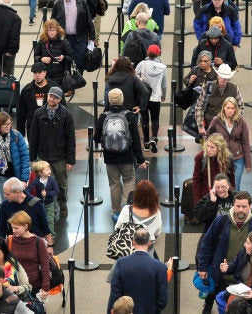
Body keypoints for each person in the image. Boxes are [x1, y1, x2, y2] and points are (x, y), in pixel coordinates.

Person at [197, 192, 252, 313]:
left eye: (244, 206)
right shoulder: (221, 221)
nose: (240, 210)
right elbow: (206, 244)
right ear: (233, 205)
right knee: (220, 303)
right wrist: (202, 267)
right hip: (221, 275)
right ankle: (208, 304)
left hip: (244, 279)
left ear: (250, 206)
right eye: (238, 206)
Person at [94, 88, 148, 222]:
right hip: (127, 156)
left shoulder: (104, 116)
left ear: (109, 100)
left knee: (114, 184)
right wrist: (140, 159)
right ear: (122, 99)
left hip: (110, 157)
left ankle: (116, 212)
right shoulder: (129, 116)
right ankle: (127, 209)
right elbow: (136, 139)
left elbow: (96, 138)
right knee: (129, 180)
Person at [28, 86, 76, 217]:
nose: (51, 99)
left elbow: (71, 138)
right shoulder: (39, 114)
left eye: (55, 97)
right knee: (44, 184)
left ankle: (62, 204)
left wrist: (70, 160)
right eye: (50, 96)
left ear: (60, 99)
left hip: (60, 156)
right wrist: (32, 158)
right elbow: (33, 137)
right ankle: (50, 208)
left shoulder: (66, 115)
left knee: (61, 184)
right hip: (43, 156)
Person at [107, 229, 168, 314]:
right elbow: (162, 298)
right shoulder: (160, 267)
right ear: (149, 242)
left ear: (133, 242)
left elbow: (115, 293)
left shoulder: (121, 263)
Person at [206, 97, 251, 189]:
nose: (230, 111)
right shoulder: (216, 120)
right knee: (221, 186)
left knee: (235, 185)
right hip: (221, 158)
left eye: (233, 108)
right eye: (228, 108)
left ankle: (234, 203)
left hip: (238, 158)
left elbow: (245, 143)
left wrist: (248, 163)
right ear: (224, 108)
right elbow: (208, 137)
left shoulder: (241, 121)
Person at [0, 112, 30, 199]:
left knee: (19, 201)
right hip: (1, 176)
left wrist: (24, 179)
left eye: (9, 124)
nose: (8, 126)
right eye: (5, 124)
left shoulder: (17, 136)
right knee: (6, 201)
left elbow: (25, 158)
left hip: (17, 176)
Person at [0, 177, 52, 247]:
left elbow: (45, 225)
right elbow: (1, 227)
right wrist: (0, 246)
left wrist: (50, 245)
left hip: (34, 245)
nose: (5, 196)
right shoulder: (5, 205)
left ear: (17, 193)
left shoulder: (37, 204)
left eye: (7, 194)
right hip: (14, 244)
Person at [6, 211, 50, 297]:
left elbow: (45, 265)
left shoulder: (38, 242)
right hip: (13, 286)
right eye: (12, 228)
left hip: (33, 286)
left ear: (26, 226)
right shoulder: (9, 240)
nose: (13, 231)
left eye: (16, 228)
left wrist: (45, 288)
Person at [114, 180, 162, 256]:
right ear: (154, 195)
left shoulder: (127, 209)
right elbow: (157, 232)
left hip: (129, 245)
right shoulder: (156, 212)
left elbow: (117, 228)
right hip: (148, 245)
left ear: (136, 194)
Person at [17, 62, 63, 136]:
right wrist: (20, 132)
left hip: (52, 129)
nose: (37, 75)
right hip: (32, 129)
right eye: (35, 73)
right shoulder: (27, 90)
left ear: (45, 72)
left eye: (39, 72)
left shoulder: (55, 88)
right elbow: (21, 113)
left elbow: (63, 110)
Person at [135, 44, 167, 153]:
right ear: (159, 54)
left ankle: (146, 143)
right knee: (155, 119)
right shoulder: (162, 67)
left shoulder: (142, 64)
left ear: (147, 53)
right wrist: (163, 95)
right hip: (156, 97)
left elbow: (134, 77)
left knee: (144, 119)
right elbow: (164, 84)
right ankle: (154, 138)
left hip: (143, 97)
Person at [196, 63, 244, 134]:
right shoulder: (208, 87)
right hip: (210, 127)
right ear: (217, 75)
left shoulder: (234, 88)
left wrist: (235, 123)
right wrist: (200, 126)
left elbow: (241, 107)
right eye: (222, 76)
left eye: (226, 77)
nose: (223, 79)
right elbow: (199, 106)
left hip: (228, 128)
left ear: (229, 77)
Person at [51, 0, 95, 72]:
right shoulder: (57, 4)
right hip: (63, 39)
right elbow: (52, 22)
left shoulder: (82, 3)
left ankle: (78, 80)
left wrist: (92, 38)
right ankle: (66, 80)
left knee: (80, 62)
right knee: (63, 62)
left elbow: (89, 20)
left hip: (79, 39)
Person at [192, 133, 236, 204]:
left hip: (223, 197)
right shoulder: (200, 158)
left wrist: (232, 198)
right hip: (206, 198)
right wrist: (197, 202)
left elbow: (231, 180)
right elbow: (196, 182)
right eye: (208, 146)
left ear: (219, 148)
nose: (208, 150)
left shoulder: (228, 159)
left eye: (212, 147)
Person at [34, 19, 73, 88]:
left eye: (53, 30)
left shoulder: (63, 41)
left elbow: (70, 58)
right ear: (46, 31)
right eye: (49, 30)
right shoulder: (42, 41)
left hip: (59, 75)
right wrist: (42, 59)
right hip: (44, 74)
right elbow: (36, 56)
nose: (51, 32)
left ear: (57, 30)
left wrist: (63, 57)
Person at [25, 161, 59, 239]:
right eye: (47, 170)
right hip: (40, 204)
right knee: (41, 220)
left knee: (50, 220)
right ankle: (43, 235)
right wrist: (25, 194)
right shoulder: (37, 180)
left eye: (49, 169)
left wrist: (47, 194)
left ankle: (52, 236)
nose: (49, 171)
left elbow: (56, 190)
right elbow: (30, 187)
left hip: (49, 203)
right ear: (40, 173)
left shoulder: (52, 180)